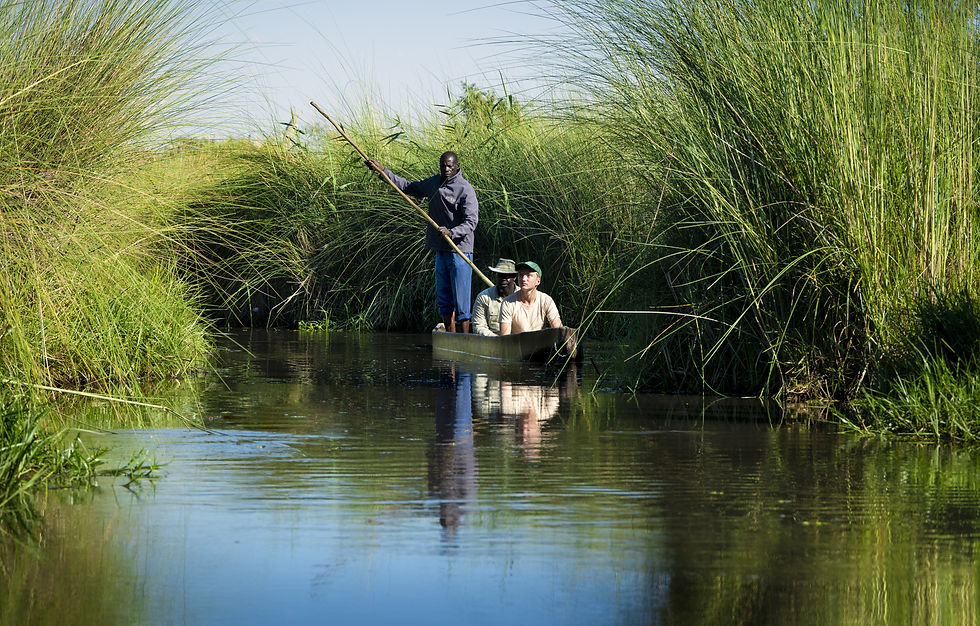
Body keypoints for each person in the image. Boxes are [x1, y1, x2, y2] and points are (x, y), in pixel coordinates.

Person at [365, 152, 478, 333]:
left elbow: (471, 222)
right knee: (444, 301)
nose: (446, 169)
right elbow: (409, 187)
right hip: (440, 250)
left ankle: (464, 340)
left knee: (462, 302)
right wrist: (383, 172)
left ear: (457, 166)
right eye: (443, 165)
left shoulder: (465, 189)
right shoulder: (434, 183)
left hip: (460, 251)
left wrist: (452, 232)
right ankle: (450, 338)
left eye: (450, 166)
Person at [499, 261, 562, 335]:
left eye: (528, 275)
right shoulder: (508, 303)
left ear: (538, 281)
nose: (523, 279)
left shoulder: (546, 300)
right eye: (521, 275)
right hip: (517, 344)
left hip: (541, 344)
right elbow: (505, 337)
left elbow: (559, 330)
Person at [471, 258, 518, 336]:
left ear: (514, 277)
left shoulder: (522, 296)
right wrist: (498, 341)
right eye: (500, 275)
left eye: (507, 276)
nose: (503, 279)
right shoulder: (483, 297)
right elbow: (478, 326)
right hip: (492, 342)